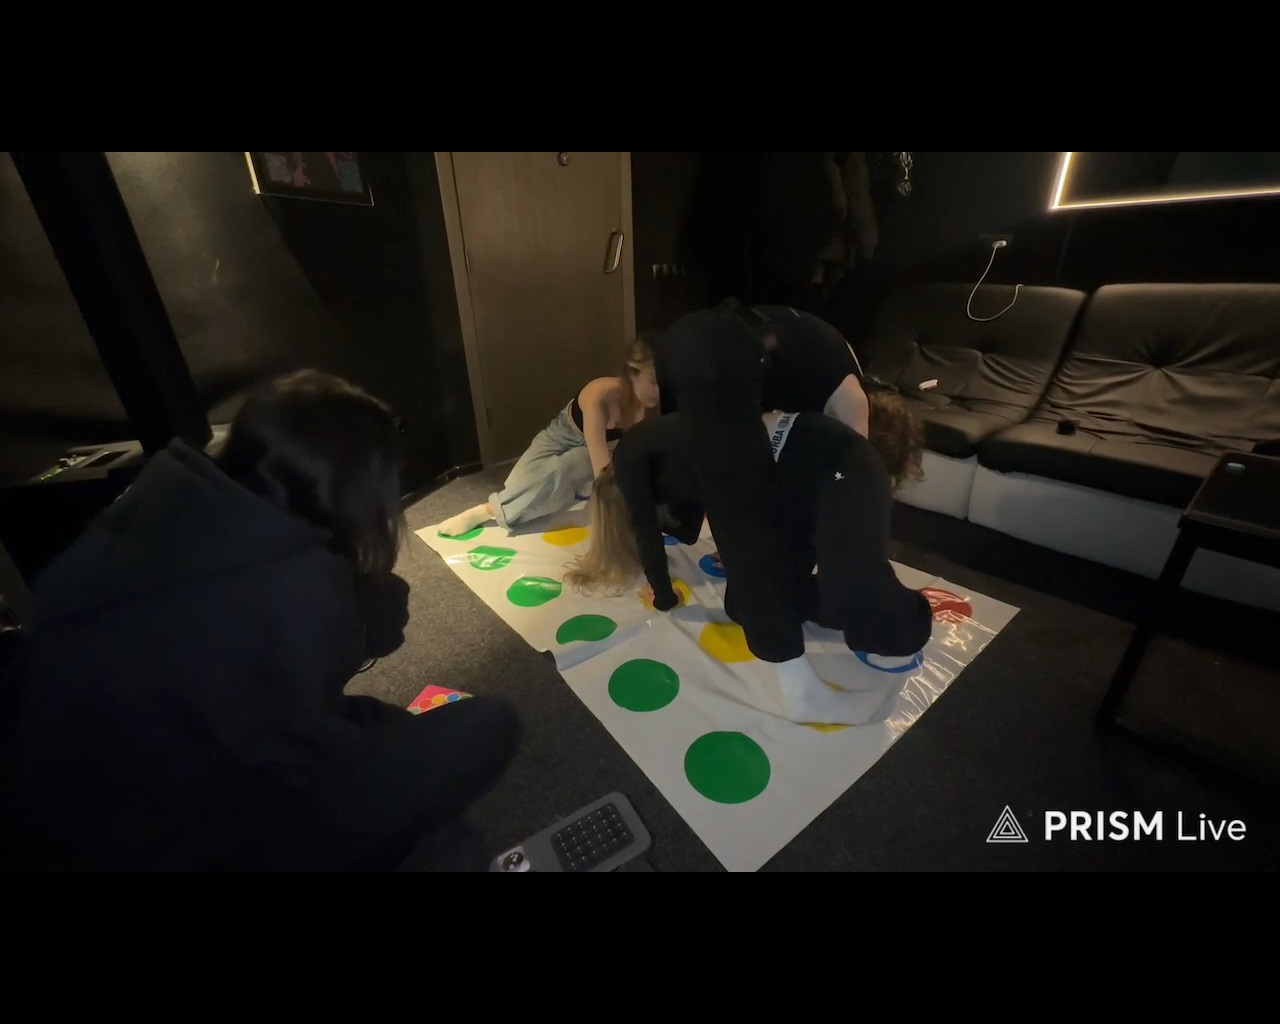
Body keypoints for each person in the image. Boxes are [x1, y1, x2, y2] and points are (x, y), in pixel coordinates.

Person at [0, 369, 519, 872]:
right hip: (159, 841)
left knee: (384, 724)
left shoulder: (155, 501)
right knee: (486, 728)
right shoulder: (299, 591)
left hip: (50, 800)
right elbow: (306, 749)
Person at [565, 390, 929, 725]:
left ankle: (902, 627)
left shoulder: (635, 461)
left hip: (838, 461)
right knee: (742, 605)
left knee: (854, 596)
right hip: (792, 481)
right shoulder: (659, 453)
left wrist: (663, 596)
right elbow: (708, 501)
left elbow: (650, 533)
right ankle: (840, 607)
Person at [438, 334, 660, 537]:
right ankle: (566, 488)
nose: (658, 391)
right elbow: (601, 469)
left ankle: (486, 511)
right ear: (632, 373)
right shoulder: (599, 395)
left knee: (566, 467)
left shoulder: (652, 405)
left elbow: (608, 469)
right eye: (653, 382)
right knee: (519, 484)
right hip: (561, 437)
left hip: (602, 452)